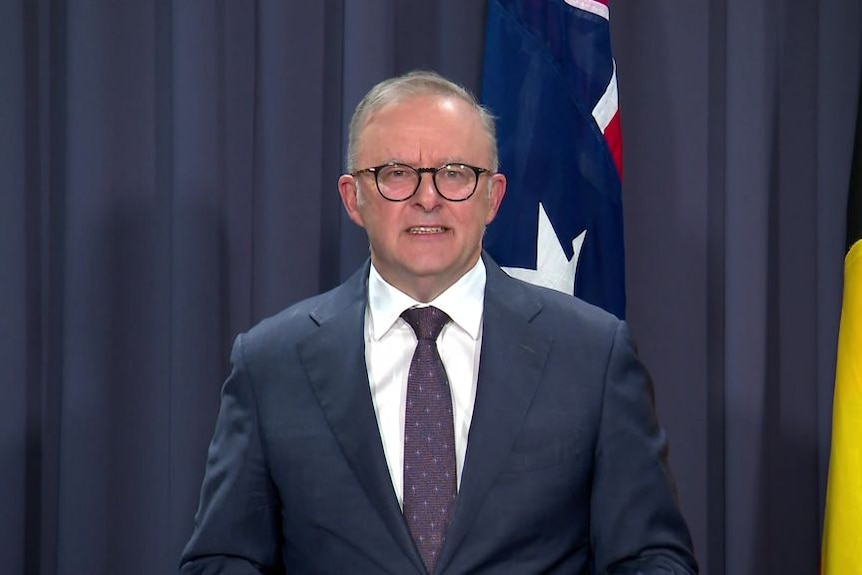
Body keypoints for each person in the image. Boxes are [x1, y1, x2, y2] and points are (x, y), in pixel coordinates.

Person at [180, 70, 698, 574]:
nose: (427, 198)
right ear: (352, 198)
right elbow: (223, 559)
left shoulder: (591, 354)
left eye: (454, 173)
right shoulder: (271, 363)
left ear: (492, 197)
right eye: (396, 173)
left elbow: (652, 558)